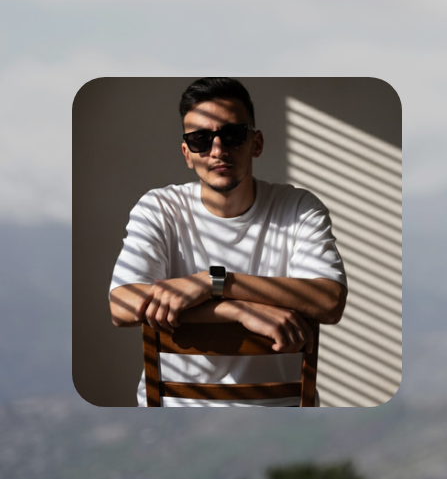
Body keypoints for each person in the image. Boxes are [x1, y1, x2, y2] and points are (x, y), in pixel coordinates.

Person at [108, 77, 349, 406]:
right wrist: (237, 309)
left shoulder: (299, 208)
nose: (218, 150)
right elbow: (121, 306)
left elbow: (330, 300)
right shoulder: (159, 208)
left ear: (256, 143)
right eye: (200, 139)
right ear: (187, 154)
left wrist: (214, 282)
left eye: (233, 135)